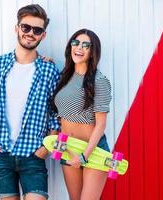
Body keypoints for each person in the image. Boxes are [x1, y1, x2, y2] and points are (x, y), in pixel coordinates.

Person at [0, 4, 60, 200]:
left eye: (37, 30)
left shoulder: (49, 70)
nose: (30, 33)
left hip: (33, 155)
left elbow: (56, 114)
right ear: (17, 28)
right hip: (1, 154)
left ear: (43, 35)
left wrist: (46, 149)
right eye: (25, 27)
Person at [51, 29, 112, 200]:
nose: (79, 48)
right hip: (68, 148)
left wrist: (84, 156)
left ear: (93, 52)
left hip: (92, 151)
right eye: (76, 43)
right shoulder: (64, 76)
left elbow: (101, 125)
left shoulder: (99, 81)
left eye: (86, 45)